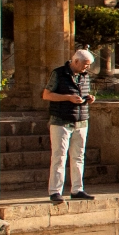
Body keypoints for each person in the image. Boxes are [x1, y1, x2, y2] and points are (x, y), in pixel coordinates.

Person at [42, 48, 96, 203]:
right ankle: (55, 191)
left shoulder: (85, 76)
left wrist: (88, 99)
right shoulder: (59, 73)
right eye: (85, 64)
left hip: (81, 121)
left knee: (78, 156)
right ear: (76, 61)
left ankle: (77, 189)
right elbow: (46, 95)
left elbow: (81, 94)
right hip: (61, 121)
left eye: (89, 65)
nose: (87, 67)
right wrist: (68, 98)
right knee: (59, 156)